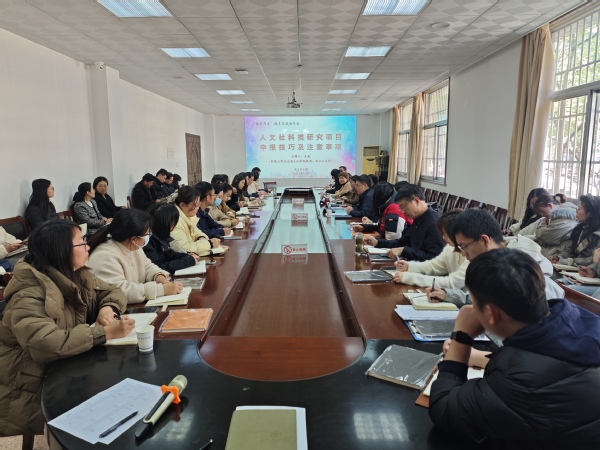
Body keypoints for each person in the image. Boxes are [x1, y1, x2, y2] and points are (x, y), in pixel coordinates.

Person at [429, 248, 600, 449]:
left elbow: (444, 411)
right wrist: (481, 357)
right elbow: (555, 366)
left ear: (491, 313)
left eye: (474, 304)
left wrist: (461, 337)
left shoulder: (520, 382)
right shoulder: (575, 316)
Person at [0, 219, 134, 436]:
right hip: (30, 385)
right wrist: (104, 332)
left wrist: (107, 308)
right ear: (60, 251)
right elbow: (46, 344)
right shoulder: (29, 294)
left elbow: (113, 291)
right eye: (82, 242)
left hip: (68, 364)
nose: (88, 247)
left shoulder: (76, 274)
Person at [428, 208, 563, 306]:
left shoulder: (525, 274)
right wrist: (448, 295)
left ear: (485, 240)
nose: (463, 253)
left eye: (464, 246)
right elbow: (488, 297)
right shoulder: (496, 263)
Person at [86, 209, 182, 304]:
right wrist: (161, 290)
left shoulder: (133, 246)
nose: (149, 237)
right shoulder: (105, 257)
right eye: (147, 234)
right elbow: (120, 292)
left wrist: (158, 275)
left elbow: (147, 266)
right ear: (134, 239)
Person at [364, 184, 445, 262]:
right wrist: (377, 242)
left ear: (416, 201)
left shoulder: (434, 222)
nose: (402, 211)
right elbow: (402, 242)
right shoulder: (418, 218)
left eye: (403, 207)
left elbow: (434, 258)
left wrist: (404, 251)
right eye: (400, 208)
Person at [393, 209, 467, 289]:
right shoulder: (450, 247)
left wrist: (411, 278)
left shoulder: (471, 253)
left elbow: (453, 283)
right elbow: (434, 266)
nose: (443, 238)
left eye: (446, 234)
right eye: (443, 234)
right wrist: (409, 266)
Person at [144, 203, 199, 274]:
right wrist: (188, 261)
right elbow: (157, 268)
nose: (174, 226)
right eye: (173, 223)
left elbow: (169, 254)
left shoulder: (160, 236)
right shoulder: (146, 241)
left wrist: (188, 256)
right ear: (164, 223)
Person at [549, 194, 600, 266]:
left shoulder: (597, 235)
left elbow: (594, 259)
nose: (576, 210)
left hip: (585, 269)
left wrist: (570, 261)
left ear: (590, 213)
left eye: (579, 208)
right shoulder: (579, 228)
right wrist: (558, 257)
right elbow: (570, 249)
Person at [171, 186, 221, 256]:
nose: (197, 208)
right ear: (182, 205)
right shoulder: (175, 221)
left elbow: (198, 233)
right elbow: (182, 249)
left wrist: (201, 238)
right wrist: (209, 244)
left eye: (198, 205)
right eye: (195, 205)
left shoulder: (189, 217)